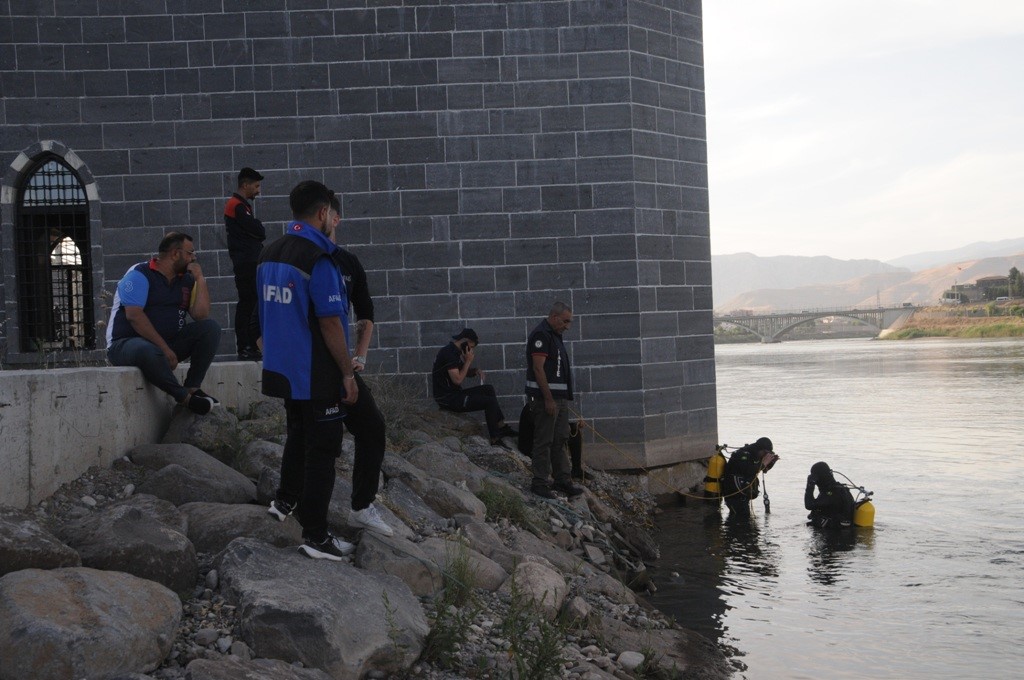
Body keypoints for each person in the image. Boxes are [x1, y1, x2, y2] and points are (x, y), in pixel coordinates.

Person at [257, 180, 360, 561]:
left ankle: (286, 500)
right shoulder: (320, 258)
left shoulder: (270, 253)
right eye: (332, 214)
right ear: (322, 213)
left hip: (283, 369)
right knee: (322, 450)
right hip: (315, 371)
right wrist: (347, 373)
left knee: (298, 436)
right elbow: (332, 323)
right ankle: (316, 536)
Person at [324, 195, 393, 537]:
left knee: (372, 427)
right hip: (310, 368)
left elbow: (366, 312)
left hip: (342, 368)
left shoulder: (348, 263)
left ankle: (361, 507)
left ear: (334, 218)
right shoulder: (301, 258)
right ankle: (299, 510)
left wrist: (359, 357)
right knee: (319, 441)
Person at [106, 232, 220, 415]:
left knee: (210, 329)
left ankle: (193, 387)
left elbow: (201, 314)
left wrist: (200, 279)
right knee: (147, 349)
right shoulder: (140, 273)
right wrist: (164, 349)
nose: (193, 258)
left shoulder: (186, 279)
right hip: (126, 344)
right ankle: (184, 398)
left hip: (166, 346)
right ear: (175, 254)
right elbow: (134, 316)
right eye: (190, 253)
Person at [525, 302, 583, 499]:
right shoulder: (542, 335)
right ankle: (539, 482)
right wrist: (548, 399)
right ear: (554, 316)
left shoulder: (555, 336)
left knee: (561, 438)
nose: (567, 326)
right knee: (545, 440)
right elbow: (538, 368)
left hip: (560, 398)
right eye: (565, 321)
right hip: (545, 400)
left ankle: (562, 480)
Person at [433, 328, 517, 446]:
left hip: (455, 394)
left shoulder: (455, 352)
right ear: (465, 341)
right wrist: (468, 361)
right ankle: (495, 439)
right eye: (471, 347)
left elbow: (463, 372)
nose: (471, 350)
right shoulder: (449, 354)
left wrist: (474, 371)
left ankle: (501, 427)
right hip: (448, 399)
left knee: (488, 389)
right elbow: (457, 380)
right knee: (489, 402)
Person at [224, 167, 266, 360]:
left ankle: (250, 345)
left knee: (250, 303)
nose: (258, 190)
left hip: (249, 261)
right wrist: (257, 227)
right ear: (245, 185)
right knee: (248, 303)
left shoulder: (241, 205)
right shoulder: (236, 205)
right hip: (246, 263)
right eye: (256, 186)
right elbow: (258, 230)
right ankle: (246, 346)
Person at [721, 437, 779, 518]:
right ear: (762, 450)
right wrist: (763, 463)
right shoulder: (743, 455)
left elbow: (763, 470)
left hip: (743, 496)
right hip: (734, 496)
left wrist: (771, 462)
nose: (766, 456)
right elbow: (749, 471)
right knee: (740, 521)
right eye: (766, 453)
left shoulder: (754, 454)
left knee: (744, 520)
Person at [804, 461, 855, 529]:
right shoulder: (842, 489)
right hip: (844, 532)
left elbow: (809, 505)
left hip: (834, 536)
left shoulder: (831, 493)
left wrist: (810, 485)